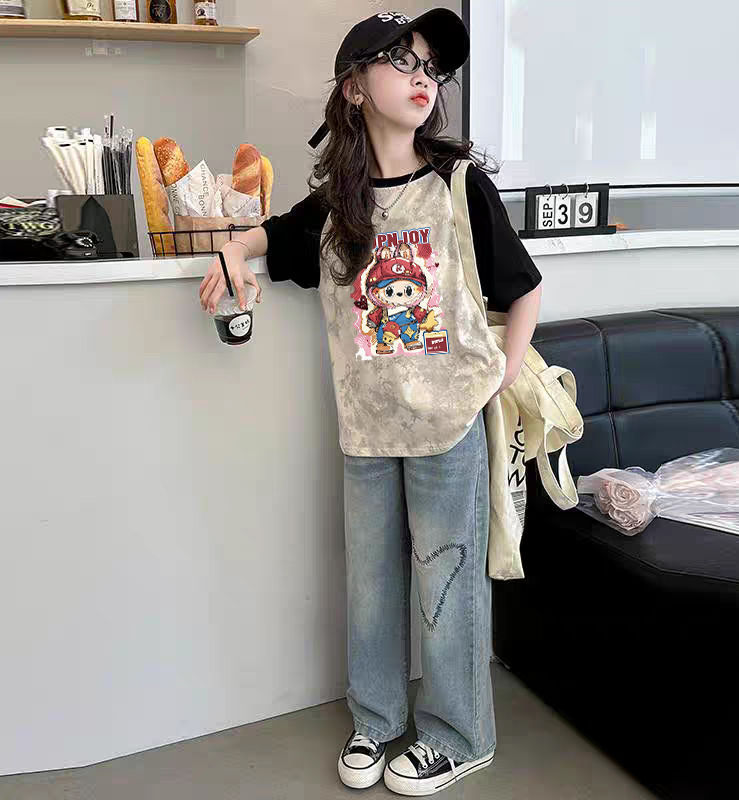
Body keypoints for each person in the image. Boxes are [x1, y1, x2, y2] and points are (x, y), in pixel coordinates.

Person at [198, 8, 542, 796]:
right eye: (401, 61)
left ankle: (460, 736)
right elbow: (269, 235)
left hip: (447, 428)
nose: (423, 78)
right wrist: (231, 246)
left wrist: (499, 375)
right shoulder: (337, 207)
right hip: (365, 428)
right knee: (372, 586)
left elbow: (523, 291)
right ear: (355, 87)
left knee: (447, 582)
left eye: (431, 68)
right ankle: (378, 720)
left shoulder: (459, 186)